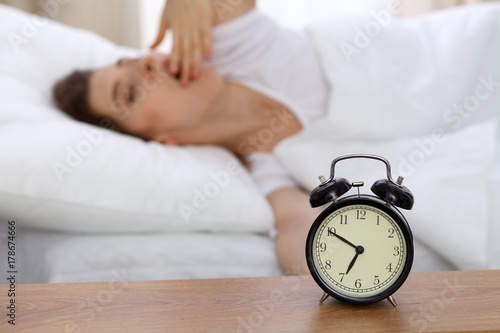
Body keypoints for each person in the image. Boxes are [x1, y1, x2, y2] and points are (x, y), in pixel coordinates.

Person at [53, 0, 328, 276]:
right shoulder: (269, 174)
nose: (148, 62)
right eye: (130, 94)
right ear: (162, 140)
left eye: (134, 61)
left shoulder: (233, 44)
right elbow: (299, 228)